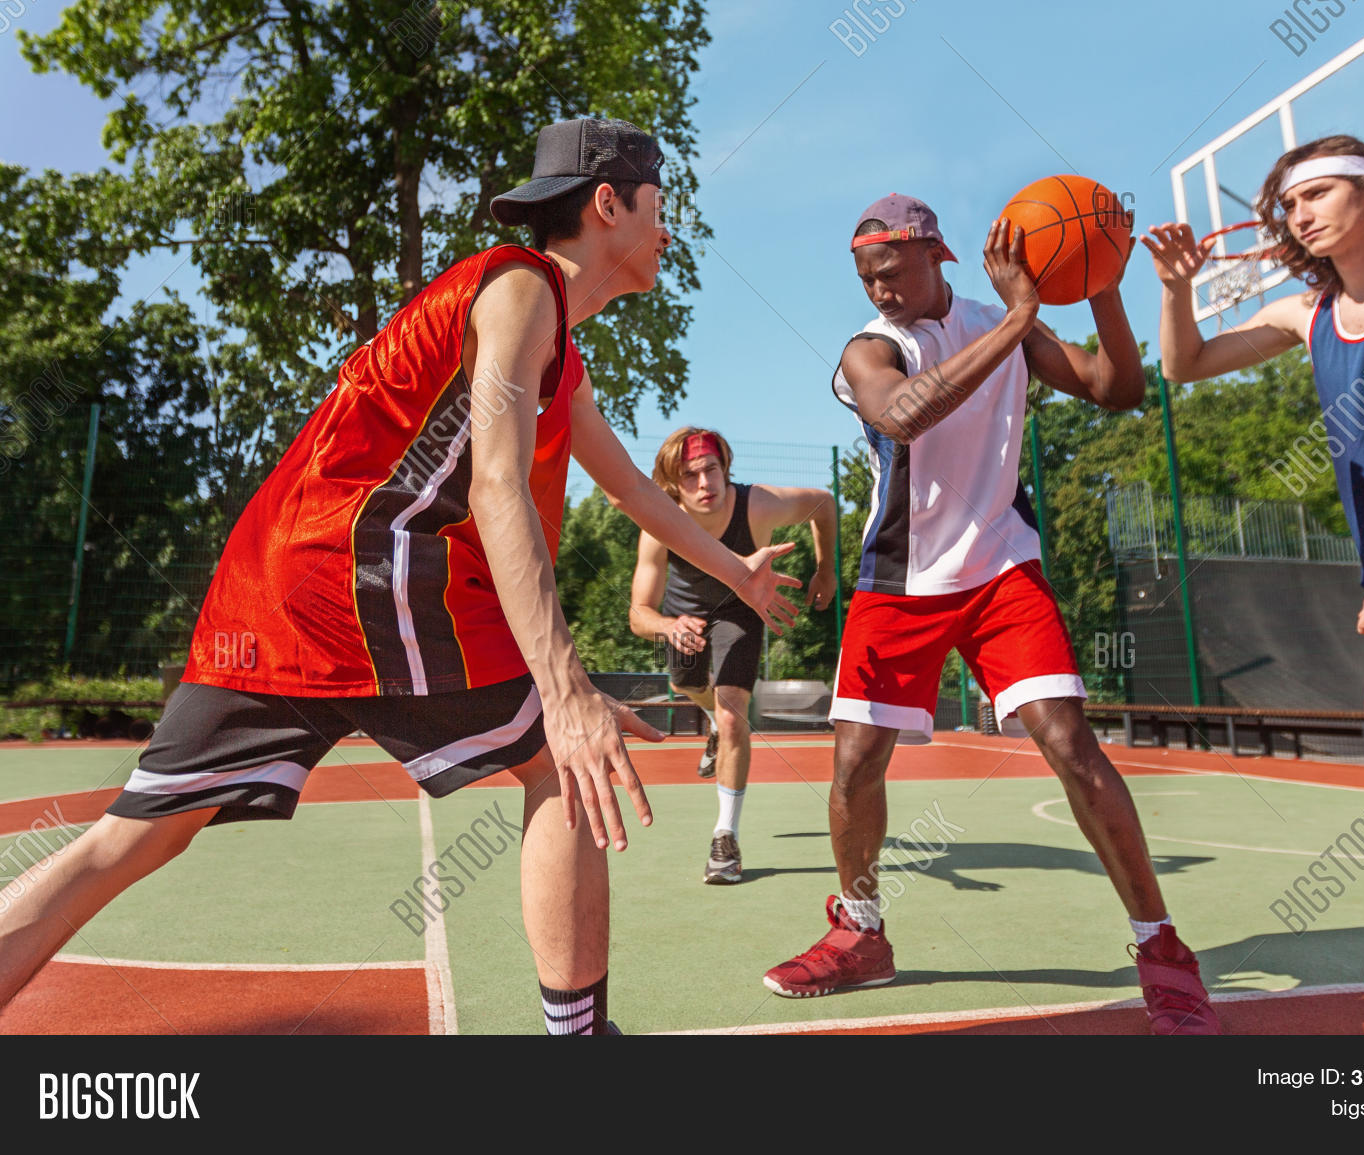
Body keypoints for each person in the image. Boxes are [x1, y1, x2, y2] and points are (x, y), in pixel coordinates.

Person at [0, 118, 799, 1036]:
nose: (669, 228)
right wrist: (564, 685)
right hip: (366, 568)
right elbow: (496, 481)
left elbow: (628, 490)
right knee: (563, 764)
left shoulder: (555, 344)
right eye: (661, 206)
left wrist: (736, 568)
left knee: (131, 834)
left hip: (282, 580)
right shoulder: (520, 288)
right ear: (607, 204)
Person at [761, 194, 1220, 1034]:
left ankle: (1161, 947)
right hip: (899, 577)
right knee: (856, 762)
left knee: (1069, 743)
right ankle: (860, 932)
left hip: (1001, 565)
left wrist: (1105, 285)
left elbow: (1115, 390)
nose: (880, 290)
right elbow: (902, 412)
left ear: (939, 255)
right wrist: (1019, 318)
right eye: (867, 277)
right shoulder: (874, 347)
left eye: (892, 272)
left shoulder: (996, 317)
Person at [1143, 134, 1364, 1035]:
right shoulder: (1315, 314)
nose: (1299, 212)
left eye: (1318, 191)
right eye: (1288, 203)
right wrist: (1177, 290)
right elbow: (1184, 366)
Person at [629, 427, 836, 883]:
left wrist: (825, 571)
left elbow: (824, 502)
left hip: (743, 610)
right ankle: (712, 728)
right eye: (690, 475)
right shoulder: (660, 524)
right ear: (672, 484)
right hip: (685, 620)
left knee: (732, 716)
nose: (706, 484)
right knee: (686, 686)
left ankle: (726, 837)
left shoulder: (757, 504)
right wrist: (667, 625)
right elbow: (638, 613)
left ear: (725, 468)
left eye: (712, 469)